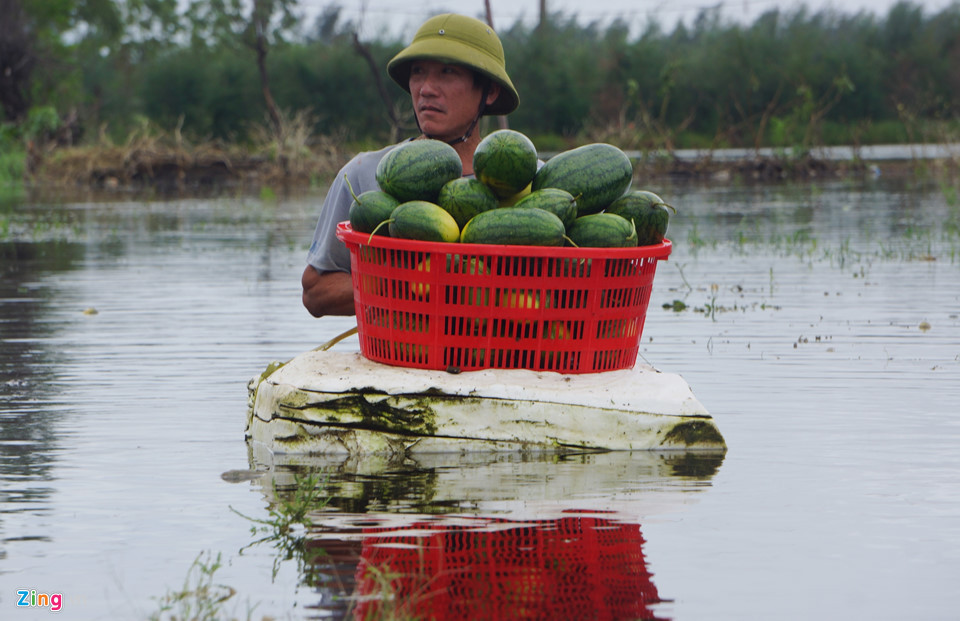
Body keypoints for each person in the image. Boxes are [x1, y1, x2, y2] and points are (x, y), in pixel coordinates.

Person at [301, 13, 520, 317]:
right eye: (418, 72)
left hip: (501, 360)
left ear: (490, 91)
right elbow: (315, 291)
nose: (426, 88)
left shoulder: (527, 179)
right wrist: (410, 283)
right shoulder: (366, 173)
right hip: (397, 357)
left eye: (447, 72)